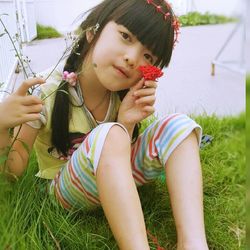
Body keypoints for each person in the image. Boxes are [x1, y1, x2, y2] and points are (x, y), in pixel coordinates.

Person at [0, 0, 209, 249]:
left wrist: (127, 123)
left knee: (180, 126)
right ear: (92, 31)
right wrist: (2, 126)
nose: (132, 58)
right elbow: (12, 173)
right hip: (63, 191)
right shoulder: (46, 91)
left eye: (148, 56)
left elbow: (117, 155)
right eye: (125, 36)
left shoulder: (121, 96)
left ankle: (193, 243)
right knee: (111, 134)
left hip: (111, 182)